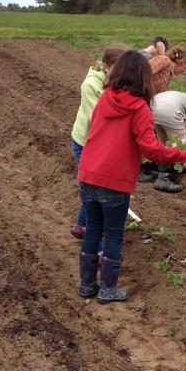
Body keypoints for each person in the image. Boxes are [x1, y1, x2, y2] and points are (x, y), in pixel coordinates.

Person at [77, 51, 186, 303]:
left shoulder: (106, 96)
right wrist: (180, 155)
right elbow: (150, 148)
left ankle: (87, 285)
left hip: (88, 173)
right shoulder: (139, 107)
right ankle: (108, 288)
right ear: (144, 77)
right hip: (114, 180)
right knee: (114, 233)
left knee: (93, 230)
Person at [70, 45, 126, 239]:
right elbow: (101, 117)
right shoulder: (90, 85)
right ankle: (96, 234)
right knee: (95, 189)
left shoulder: (116, 80)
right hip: (85, 142)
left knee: (93, 188)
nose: (121, 74)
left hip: (101, 144)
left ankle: (80, 226)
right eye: (117, 69)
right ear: (105, 66)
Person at [142, 90, 186, 193]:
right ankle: (163, 179)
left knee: (166, 145)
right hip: (169, 112)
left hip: (152, 109)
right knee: (180, 145)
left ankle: (157, 170)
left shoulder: (180, 96)